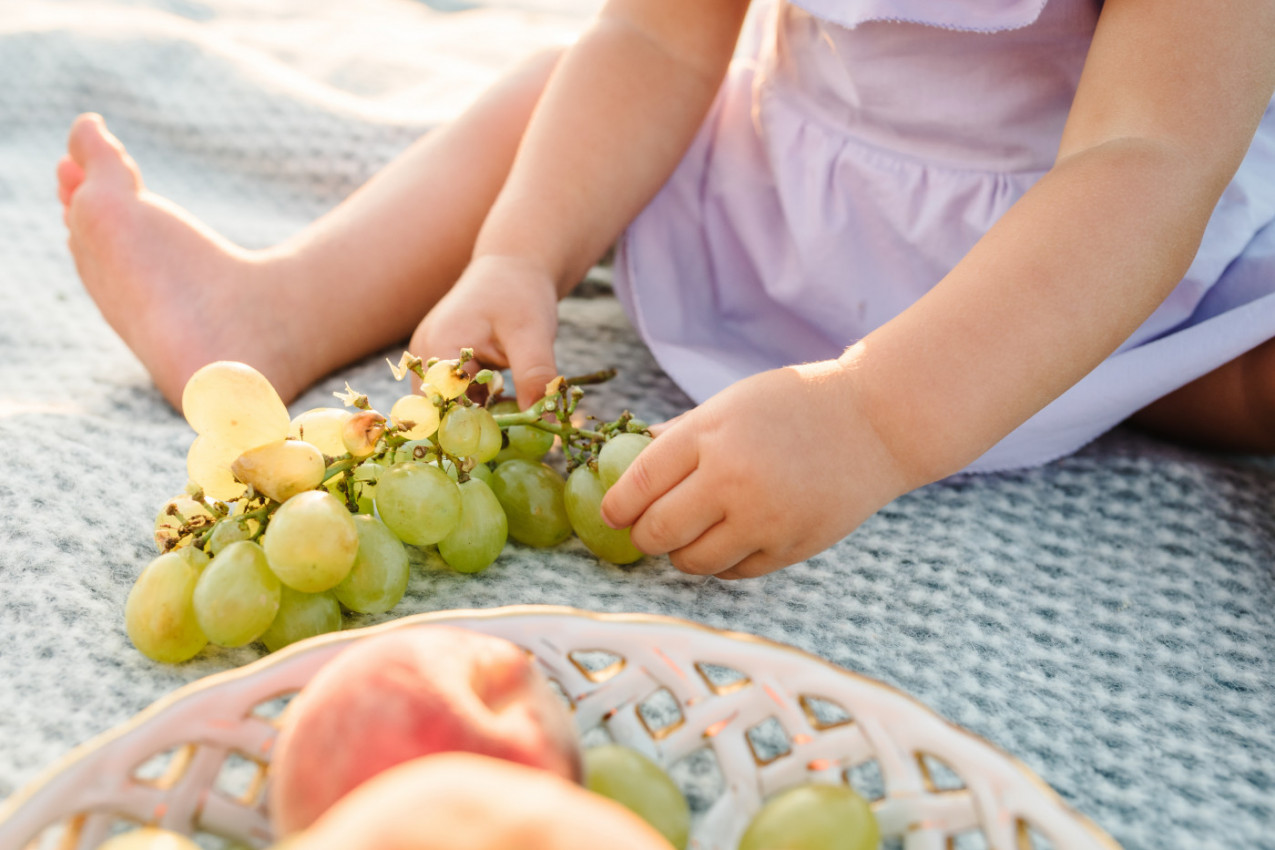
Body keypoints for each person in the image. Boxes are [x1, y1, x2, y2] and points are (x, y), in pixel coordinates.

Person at [57, 0, 1275, 580]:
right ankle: (277, 309)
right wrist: (522, 253)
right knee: (563, 101)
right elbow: (660, 40)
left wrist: (870, 418)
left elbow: (1146, 166)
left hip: (1088, 264)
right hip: (780, 193)